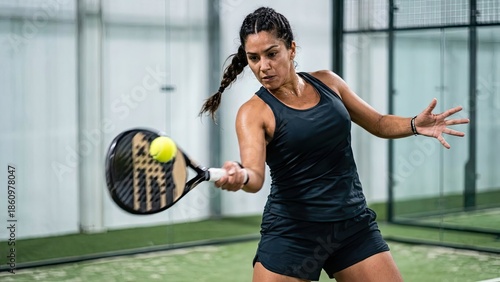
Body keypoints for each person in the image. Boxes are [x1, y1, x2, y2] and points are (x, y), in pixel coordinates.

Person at [200, 7, 469, 282]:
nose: (263, 67)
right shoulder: (253, 112)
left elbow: (376, 122)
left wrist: (414, 124)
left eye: (272, 54)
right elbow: (255, 177)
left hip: (351, 225)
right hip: (294, 233)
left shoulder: (329, 82)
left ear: (291, 49)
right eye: (253, 58)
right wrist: (241, 176)